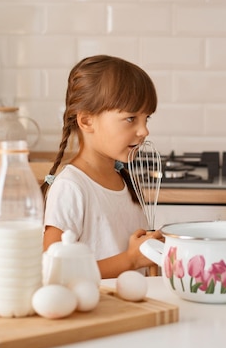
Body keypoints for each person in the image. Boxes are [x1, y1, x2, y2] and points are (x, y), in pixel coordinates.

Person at [41, 55, 161, 279]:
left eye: (147, 119)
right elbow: (53, 271)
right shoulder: (71, 188)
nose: (144, 131)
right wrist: (131, 259)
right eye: (131, 118)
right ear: (87, 121)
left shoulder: (124, 180)